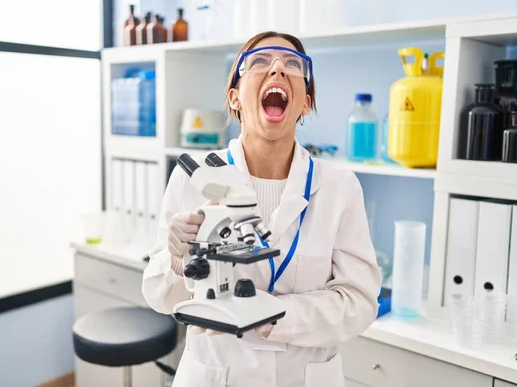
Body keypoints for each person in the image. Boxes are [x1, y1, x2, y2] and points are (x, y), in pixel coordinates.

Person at [142, 31, 382, 387]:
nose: (277, 69)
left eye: (292, 64)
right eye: (258, 62)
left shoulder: (339, 187)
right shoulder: (195, 176)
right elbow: (160, 296)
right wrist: (178, 259)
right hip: (215, 375)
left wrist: (276, 316)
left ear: (305, 102)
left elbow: (359, 303)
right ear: (235, 98)